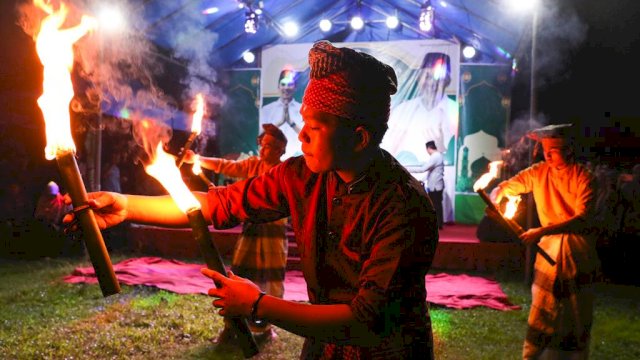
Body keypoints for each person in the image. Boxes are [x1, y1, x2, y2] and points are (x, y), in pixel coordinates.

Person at [64, 40, 439, 359]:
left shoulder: (403, 206)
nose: (302, 137)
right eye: (303, 123)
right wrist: (127, 206)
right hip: (324, 348)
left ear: (358, 138)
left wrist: (258, 305)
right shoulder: (301, 175)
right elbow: (217, 203)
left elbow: (364, 322)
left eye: (315, 127)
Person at [492, 123, 600, 359]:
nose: (548, 155)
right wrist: (498, 192)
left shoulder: (585, 177)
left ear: (569, 149)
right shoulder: (539, 172)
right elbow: (513, 185)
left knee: (575, 309)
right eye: (545, 149)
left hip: (576, 253)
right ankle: (534, 355)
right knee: (543, 306)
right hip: (548, 252)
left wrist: (541, 231)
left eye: (555, 150)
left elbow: (582, 219)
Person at [183, 123, 289, 343]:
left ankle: (265, 328)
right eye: (262, 144)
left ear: (280, 149)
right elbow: (226, 166)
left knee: (270, 280)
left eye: (269, 146)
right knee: (241, 274)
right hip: (251, 231)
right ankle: (232, 326)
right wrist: (198, 160)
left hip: (274, 236)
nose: (263, 149)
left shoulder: (285, 172)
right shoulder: (252, 165)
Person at [380, 51, 458, 224]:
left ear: (447, 80)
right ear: (419, 77)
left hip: (431, 184)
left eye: (437, 78)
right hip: (406, 182)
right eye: (427, 76)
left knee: (434, 206)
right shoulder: (402, 110)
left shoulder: (453, 111)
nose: (431, 83)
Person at [260, 68, 304, 159]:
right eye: (283, 84)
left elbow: (306, 136)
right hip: (274, 160)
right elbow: (261, 137)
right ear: (278, 87)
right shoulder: (267, 109)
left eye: (290, 84)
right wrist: (279, 123)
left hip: (298, 158)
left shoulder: (302, 109)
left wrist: (291, 123)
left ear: (295, 88)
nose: (286, 88)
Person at [405, 140, 444, 229]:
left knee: (436, 206)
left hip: (436, 186)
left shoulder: (436, 156)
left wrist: (407, 169)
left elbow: (423, 169)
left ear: (429, 148)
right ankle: (438, 224)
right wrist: (422, 179)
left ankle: (438, 224)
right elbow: (430, 172)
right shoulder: (437, 156)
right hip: (435, 185)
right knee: (436, 205)